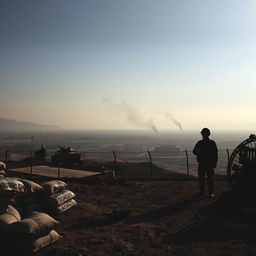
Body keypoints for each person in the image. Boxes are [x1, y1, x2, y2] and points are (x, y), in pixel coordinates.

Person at [193, 128, 218, 198]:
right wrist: (215, 162)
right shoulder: (212, 143)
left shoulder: (200, 143)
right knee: (209, 179)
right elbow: (215, 154)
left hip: (203, 163)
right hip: (208, 163)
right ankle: (210, 193)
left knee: (203, 179)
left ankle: (203, 192)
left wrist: (199, 152)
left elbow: (194, 152)